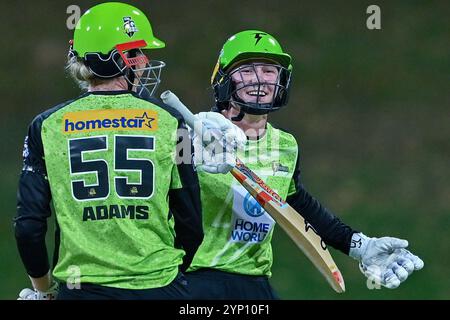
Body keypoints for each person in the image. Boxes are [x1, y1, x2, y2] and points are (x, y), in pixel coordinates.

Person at [184, 30, 424, 299]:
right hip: (192, 278)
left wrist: (360, 246)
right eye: (247, 70)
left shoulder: (285, 145)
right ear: (223, 78)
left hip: (254, 281)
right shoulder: (191, 133)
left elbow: (295, 203)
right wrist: (185, 147)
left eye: (269, 71)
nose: (260, 80)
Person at [13, 2, 208, 300]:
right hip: (160, 287)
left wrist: (44, 291)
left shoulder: (46, 126)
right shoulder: (170, 121)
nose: (145, 61)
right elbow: (191, 223)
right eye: (139, 52)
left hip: (82, 290)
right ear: (119, 60)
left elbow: (28, 228)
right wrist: (171, 276)